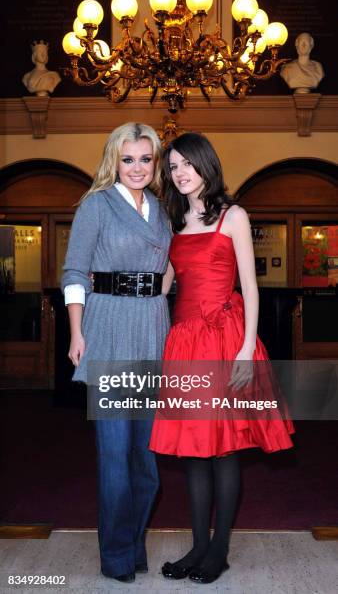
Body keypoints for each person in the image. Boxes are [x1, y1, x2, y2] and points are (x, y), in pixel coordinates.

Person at [149, 132, 294, 584]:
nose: (180, 173)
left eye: (186, 164)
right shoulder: (172, 222)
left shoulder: (233, 215)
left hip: (227, 340)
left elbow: (251, 287)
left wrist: (247, 348)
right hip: (185, 343)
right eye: (172, 167)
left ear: (205, 164)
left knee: (225, 449)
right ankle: (198, 547)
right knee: (195, 452)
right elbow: (165, 284)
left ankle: (220, 551)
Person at [61, 123, 173, 583]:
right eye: (128, 159)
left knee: (146, 463)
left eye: (145, 159)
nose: (137, 168)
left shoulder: (162, 211)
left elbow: (168, 267)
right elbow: (75, 271)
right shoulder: (96, 204)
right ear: (114, 160)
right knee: (115, 457)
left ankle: (134, 542)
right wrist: (76, 333)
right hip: (107, 328)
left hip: (151, 329)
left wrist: (163, 296)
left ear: (155, 162)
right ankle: (117, 557)